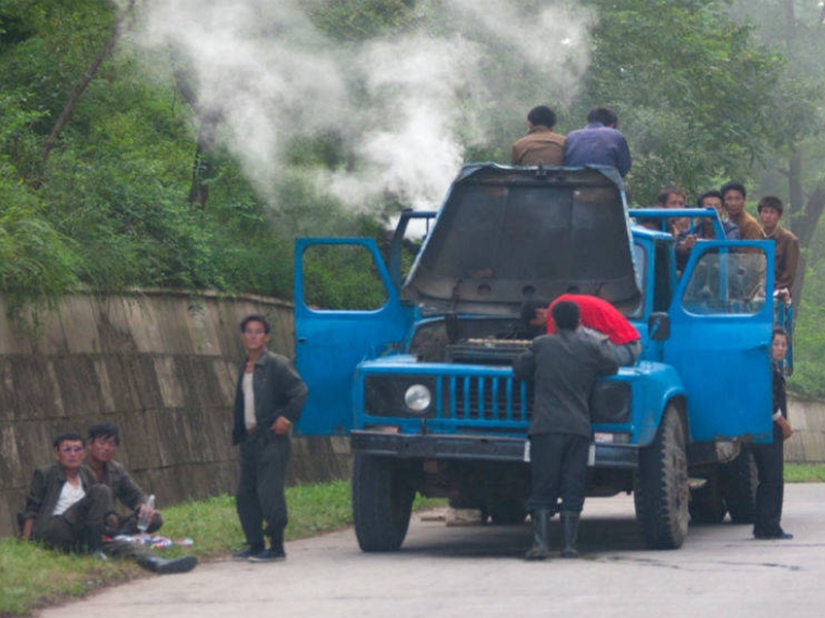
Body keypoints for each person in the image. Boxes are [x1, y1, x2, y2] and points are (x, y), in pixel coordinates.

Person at [513, 301, 619, 560]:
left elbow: (519, 370)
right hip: (578, 428)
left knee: (543, 484)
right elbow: (612, 366)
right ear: (579, 321)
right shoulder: (590, 346)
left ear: (555, 322)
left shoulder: (542, 345)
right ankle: (570, 545)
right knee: (573, 483)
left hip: (546, 427)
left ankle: (540, 544)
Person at [232, 314, 308, 563]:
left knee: (270, 493)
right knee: (246, 494)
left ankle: (276, 547)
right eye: (249, 331)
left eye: (258, 331)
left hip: (271, 441)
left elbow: (300, 391)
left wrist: (286, 417)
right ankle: (255, 544)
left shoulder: (277, 364)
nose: (253, 335)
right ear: (243, 336)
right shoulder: (244, 367)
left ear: (267, 337)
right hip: (249, 440)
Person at [21, 432, 117, 557]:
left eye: (77, 450)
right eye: (67, 450)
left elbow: (97, 508)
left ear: (83, 454)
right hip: (55, 528)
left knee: (125, 534)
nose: (73, 454)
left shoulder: (87, 474)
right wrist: (26, 545)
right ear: (56, 454)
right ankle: (94, 549)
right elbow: (31, 510)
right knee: (101, 490)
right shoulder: (45, 474)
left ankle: (95, 546)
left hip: (81, 529)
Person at [752, 328, 794, 540]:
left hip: (767, 432)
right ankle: (769, 527)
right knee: (772, 480)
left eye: (783, 344)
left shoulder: (772, 369)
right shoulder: (766, 370)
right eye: (776, 344)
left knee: (767, 480)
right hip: (768, 431)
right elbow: (769, 402)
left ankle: (762, 526)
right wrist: (784, 424)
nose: (780, 348)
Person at [86, 422, 162, 535]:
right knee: (110, 520)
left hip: (113, 521)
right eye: (101, 443)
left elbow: (136, 495)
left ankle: (120, 535)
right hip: (86, 521)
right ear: (90, 445)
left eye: (111, 444)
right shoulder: (78, 468)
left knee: (155, 519)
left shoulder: (116, 470)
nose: (106, 448)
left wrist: (144, 509)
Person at [546, 293, 641, 366]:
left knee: (569, 335)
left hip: (621, 349)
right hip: (630, 347)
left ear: (539, 313)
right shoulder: (565, 303)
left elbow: (555, 348)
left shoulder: (554, 311)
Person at [563, 106, 632, 177]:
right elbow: (624, 167)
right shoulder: (615, 135)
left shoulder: (571, 136)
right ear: (612, 125)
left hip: (572, 183)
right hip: (606, 184)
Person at [757, 196, 800, 298]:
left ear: (779, 215)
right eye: (765, 212)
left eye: (772, 212)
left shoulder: (789, 240)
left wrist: (775, 291)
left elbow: (789, 273)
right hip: (755, 292)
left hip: (777, 294)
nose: (768, 216)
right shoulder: (755, 236)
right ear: (760, 214)